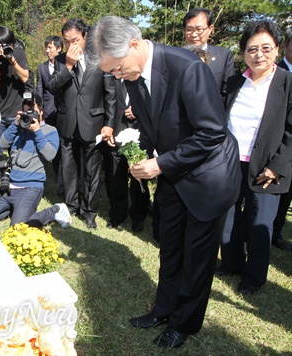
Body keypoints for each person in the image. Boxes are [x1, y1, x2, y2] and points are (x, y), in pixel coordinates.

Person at [87, 16, 241, 348]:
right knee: (170, 246)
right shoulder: (129, 74)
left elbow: (212, 133)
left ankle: (183, 324)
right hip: (173, 173)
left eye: (117, 68)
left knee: (196, 258)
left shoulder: (186, 67)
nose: (116, 76)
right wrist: (141, 155)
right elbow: (150, 125)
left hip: (208, 177)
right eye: (110, 72)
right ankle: (163, 308)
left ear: (133, 44)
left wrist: (160, 164)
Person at [218, 19, 292, 294]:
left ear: (277, 49)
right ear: (243, 53)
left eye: (265, 48)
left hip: (267, 168)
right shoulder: (236, 82)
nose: (258, 54)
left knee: (260, 224)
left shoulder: (287, 83)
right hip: (232, 162)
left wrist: (277, 167)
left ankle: (254, 277)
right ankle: (231, 262)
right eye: (251, 49)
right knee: (228, 216)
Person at [47, 18, 115, 229]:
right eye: (67, 41)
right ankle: (71, 206)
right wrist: (68, 65)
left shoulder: (99, 58)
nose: (71, 45)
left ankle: (89, 211)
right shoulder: (60, 61)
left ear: (86, 36)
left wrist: (110, 122)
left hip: (93, 122)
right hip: (67, 122)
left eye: (75, 40)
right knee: (68, 168)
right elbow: (52, 87)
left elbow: (110, 94)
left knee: (91, 170)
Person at [0, 93, 71, 229]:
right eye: (25, 112)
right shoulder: (19, 128)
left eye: (32, 111)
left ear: (41, 111)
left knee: (19, 226)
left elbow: (50, 155)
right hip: (9, 185)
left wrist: (37, 132)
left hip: (31, 188)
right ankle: (17, 209)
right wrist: (15, 124)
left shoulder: (50, 131)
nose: (28, 115)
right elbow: (2, 143)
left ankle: (55, 211)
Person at [101, 77, 151, 232]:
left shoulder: (145, 79)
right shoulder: (112, 78)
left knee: (138, 179)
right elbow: (108, 101)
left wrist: (137, 110)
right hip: (116, 133)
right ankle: (117, 214)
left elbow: (153, 102)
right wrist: (109, 128)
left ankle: (138, 216)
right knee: (116, 177)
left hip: (140, 134)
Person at [0, 26, 33, 169]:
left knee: (17, 152)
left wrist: (11, 59)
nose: (5, 48)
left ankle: (16, 181)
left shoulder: (19, 54)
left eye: (8, 44)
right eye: (0, 45)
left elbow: (25, 77)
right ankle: (0, 179)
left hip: (16, 112)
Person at [183, 8, 235, 97]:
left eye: (199, 29)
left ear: (210, 29)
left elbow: (227, 93)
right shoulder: (175, 55)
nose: (193, 34)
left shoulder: (224, 56)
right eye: (189, 29)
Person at [272, 26, 292, 252]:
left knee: (287, 193)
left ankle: (275, 232)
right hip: (275, 147)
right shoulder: (274, 74)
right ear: (285, 46)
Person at [36, 35, 63, 196]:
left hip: (65, 113)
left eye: (50, 47)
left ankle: (63, 179)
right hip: (48, 112)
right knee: (52, 145)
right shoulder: (42, 68)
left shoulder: (66, 65)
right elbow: (40, 89)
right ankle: (55, 176)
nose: (47, 50)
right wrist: (40, 110)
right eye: (46, 47)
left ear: (59, 48)